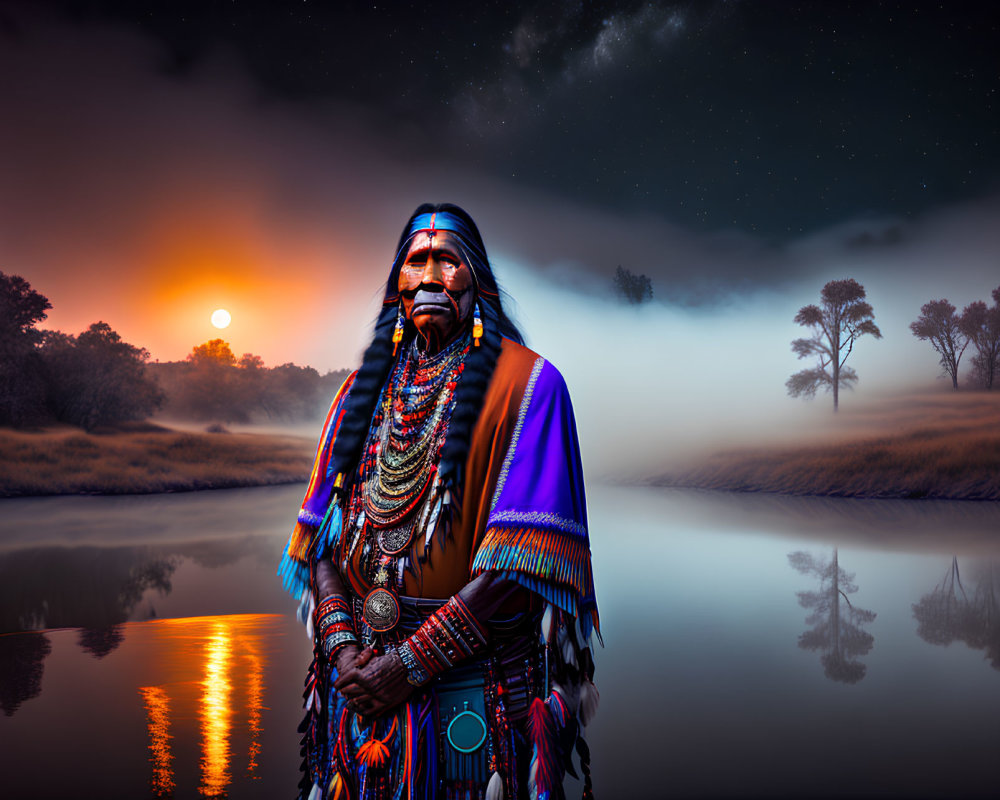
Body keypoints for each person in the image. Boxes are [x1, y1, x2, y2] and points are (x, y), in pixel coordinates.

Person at [279, 203, 599, 800]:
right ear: (396, 285)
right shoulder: (359, 393)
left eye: (446, 261)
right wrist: (344, 647)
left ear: (477, 281)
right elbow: (321, 535)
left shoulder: (531, 386)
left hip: (472, 694)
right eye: (415, 261)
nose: (428, 276)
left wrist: (408, 665)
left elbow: (522, 564)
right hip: (354, 692)